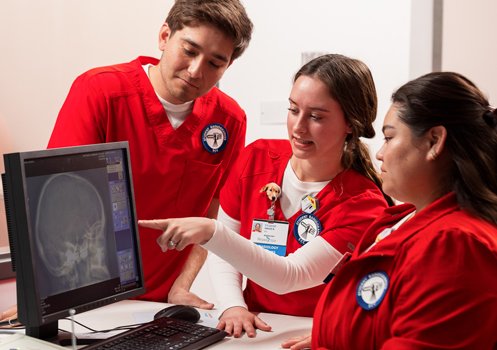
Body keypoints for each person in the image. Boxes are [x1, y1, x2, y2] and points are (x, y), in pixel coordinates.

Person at [0, 0, 253, 324]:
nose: (196, 71)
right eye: (189, 50)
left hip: (162, 306)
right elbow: (55, 200)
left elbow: (212, 208)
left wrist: (181, 284)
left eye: (215, 63)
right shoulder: (99, 92)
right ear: (164, 37)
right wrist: (42, 298)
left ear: (227, 67)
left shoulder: (229, 120)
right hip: (86, 297)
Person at [140, 54, 393, 338]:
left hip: (312, 332)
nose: (298, 127)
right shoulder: (255, 159)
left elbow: (288, 276)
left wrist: (211, 231)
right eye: (294, 110)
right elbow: (226, 257)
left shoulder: (364, 205)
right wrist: (232, 306)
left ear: (351, 123)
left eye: (316, 117)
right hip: (256, 327)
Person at [283, 71, 497, 349]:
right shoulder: (401, 219)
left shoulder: (455, 245)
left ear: (434, 141)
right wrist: (344, 333)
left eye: (389, 138)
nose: (380, 154)